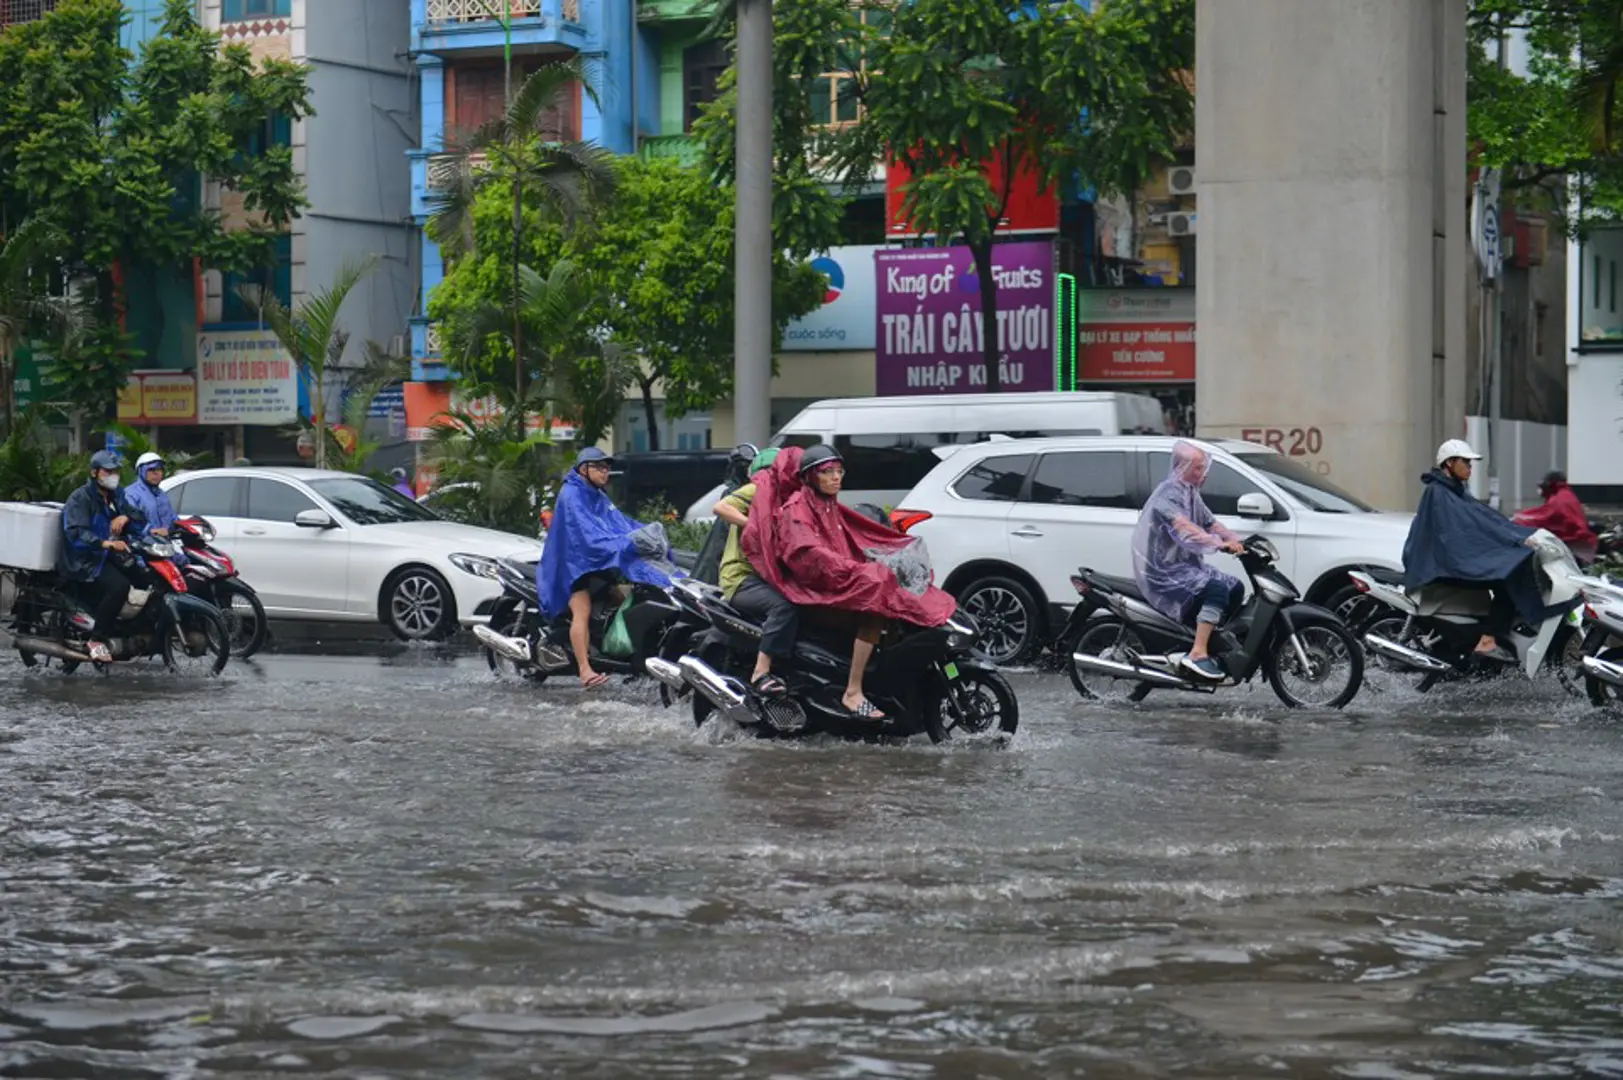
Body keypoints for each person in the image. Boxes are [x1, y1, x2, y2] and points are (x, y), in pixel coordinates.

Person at [742, 445, 956, 719]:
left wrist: (888, 560)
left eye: (839, 471)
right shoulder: (797, 510)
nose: (835, 477)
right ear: (809, 476)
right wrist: (856, 571)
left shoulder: (829, 505)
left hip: (835, 582)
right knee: (874, 613)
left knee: (902, 606)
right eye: (827, 472)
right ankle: (853, 692)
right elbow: (810, 558)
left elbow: (855, 541)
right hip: (813, 591)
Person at [536, 447, 673, 689]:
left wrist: (646, 533)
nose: (605, 471)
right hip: (571, 567)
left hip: (594, 563)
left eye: (607, 467)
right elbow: (586, 537)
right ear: (584, 469)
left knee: (625, 598)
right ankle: (585, 670)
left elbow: (620, 523)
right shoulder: (572, 495)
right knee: (583, 611)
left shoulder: (597, 495)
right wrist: (624, 544)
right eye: (599, 466)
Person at [1403, 439, 1546, 659]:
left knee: (1510, 566)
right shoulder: (1438, 493)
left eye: (1470, 463)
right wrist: (1507, 543)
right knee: (1508, 576)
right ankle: (1489, 640)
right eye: (1466, 462)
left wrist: (1517, 536)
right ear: (1449, 463)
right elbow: (1464, 534)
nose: (1470, 467)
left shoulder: (1454, 490)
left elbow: (1486, 521)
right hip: (1439, 566)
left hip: (1448, 562)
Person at [1131, 441, 1245, 681]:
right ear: (1182, 467)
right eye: (1197, 468)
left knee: (1235, 587)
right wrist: (1219, 544)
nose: (1202, 474)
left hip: (1186, 567)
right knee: (1216, 591)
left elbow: (1210, 523)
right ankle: (1197, 652)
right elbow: (1185, 528)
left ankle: (1210, 640)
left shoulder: (1190, 493)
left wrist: (1238, 540)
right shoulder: (1168, 494)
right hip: (1164, 571)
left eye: (1203, 468)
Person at [711, 447, 794, 697]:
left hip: (768, 578)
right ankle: (761, 672)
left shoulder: (788, 498)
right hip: (741, 579)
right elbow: (721, 507)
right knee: (783, 608)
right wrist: (755, 526)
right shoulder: (758, 489)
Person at [59, 451, 141, 664]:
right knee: (119, 587)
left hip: (110, 554)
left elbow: (140, 516)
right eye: (108, 471)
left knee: (145, 576)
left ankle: (129, 629)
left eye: (116, 471)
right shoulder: (80, 498)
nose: (113, 475)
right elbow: (76, 533)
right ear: (95, 472)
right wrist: (106, 543)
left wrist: (126, 516)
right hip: (85, 559)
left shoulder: (117, 495)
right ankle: (97, 639)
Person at [1513, 470, 1597, 565]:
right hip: (1577, 543)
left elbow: (1545, 516)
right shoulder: (1563, 495)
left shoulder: (1559, 499)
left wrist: (1520, 519)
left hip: (1575, 545)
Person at [124, 453, 186, 565]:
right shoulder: (131, 494)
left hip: (164, 546)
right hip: (142, 549)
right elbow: (130, 521)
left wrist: (183, 525)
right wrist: (150, 531)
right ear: (141, 471)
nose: (156, 473)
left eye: (160, 469)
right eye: (151, 470)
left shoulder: (161, 494)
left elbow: (171, 516)